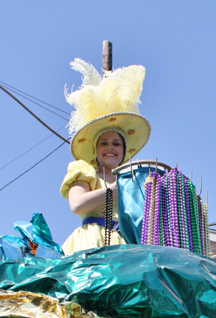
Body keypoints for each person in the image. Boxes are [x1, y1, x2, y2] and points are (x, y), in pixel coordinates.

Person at [60, 59, 151, 254]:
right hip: (92, 243)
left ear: (124, 152)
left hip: (126, 247)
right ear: (95, 150)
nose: (110, 148)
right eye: (104, 143)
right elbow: (76, 205)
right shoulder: (85, 172)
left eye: (116, 144)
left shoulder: (133, 182)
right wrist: (114, 190)